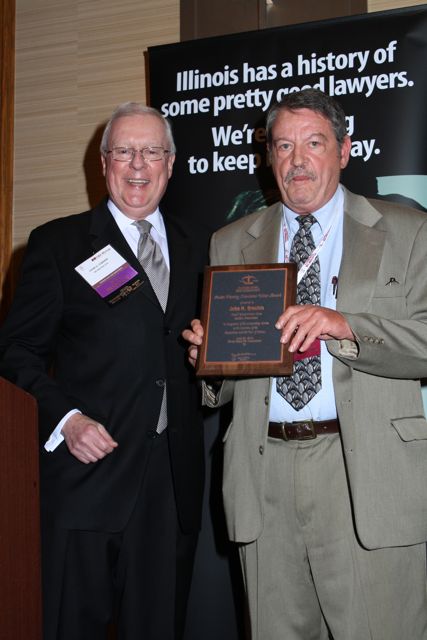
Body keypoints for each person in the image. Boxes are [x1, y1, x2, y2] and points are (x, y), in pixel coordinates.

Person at [183, 89, 427, 639]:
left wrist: (346, 325)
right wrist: (211, 362)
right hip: (264, 473)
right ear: (269, 157)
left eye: (313, 143)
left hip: (364, 469)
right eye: (283, 146)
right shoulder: (231, 241)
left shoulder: (408, 231)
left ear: (344, 149)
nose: (297, 160)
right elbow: (228, 381)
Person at [0, 102, 208, 640]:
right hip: (85, 480)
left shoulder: (202, 247)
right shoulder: (58, 243)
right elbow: (15, 352)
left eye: (151, 152)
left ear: (171, 164)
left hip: (171, 488)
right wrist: (66, 419)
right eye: (123, 151)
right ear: (103, 163)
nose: (137, 164)